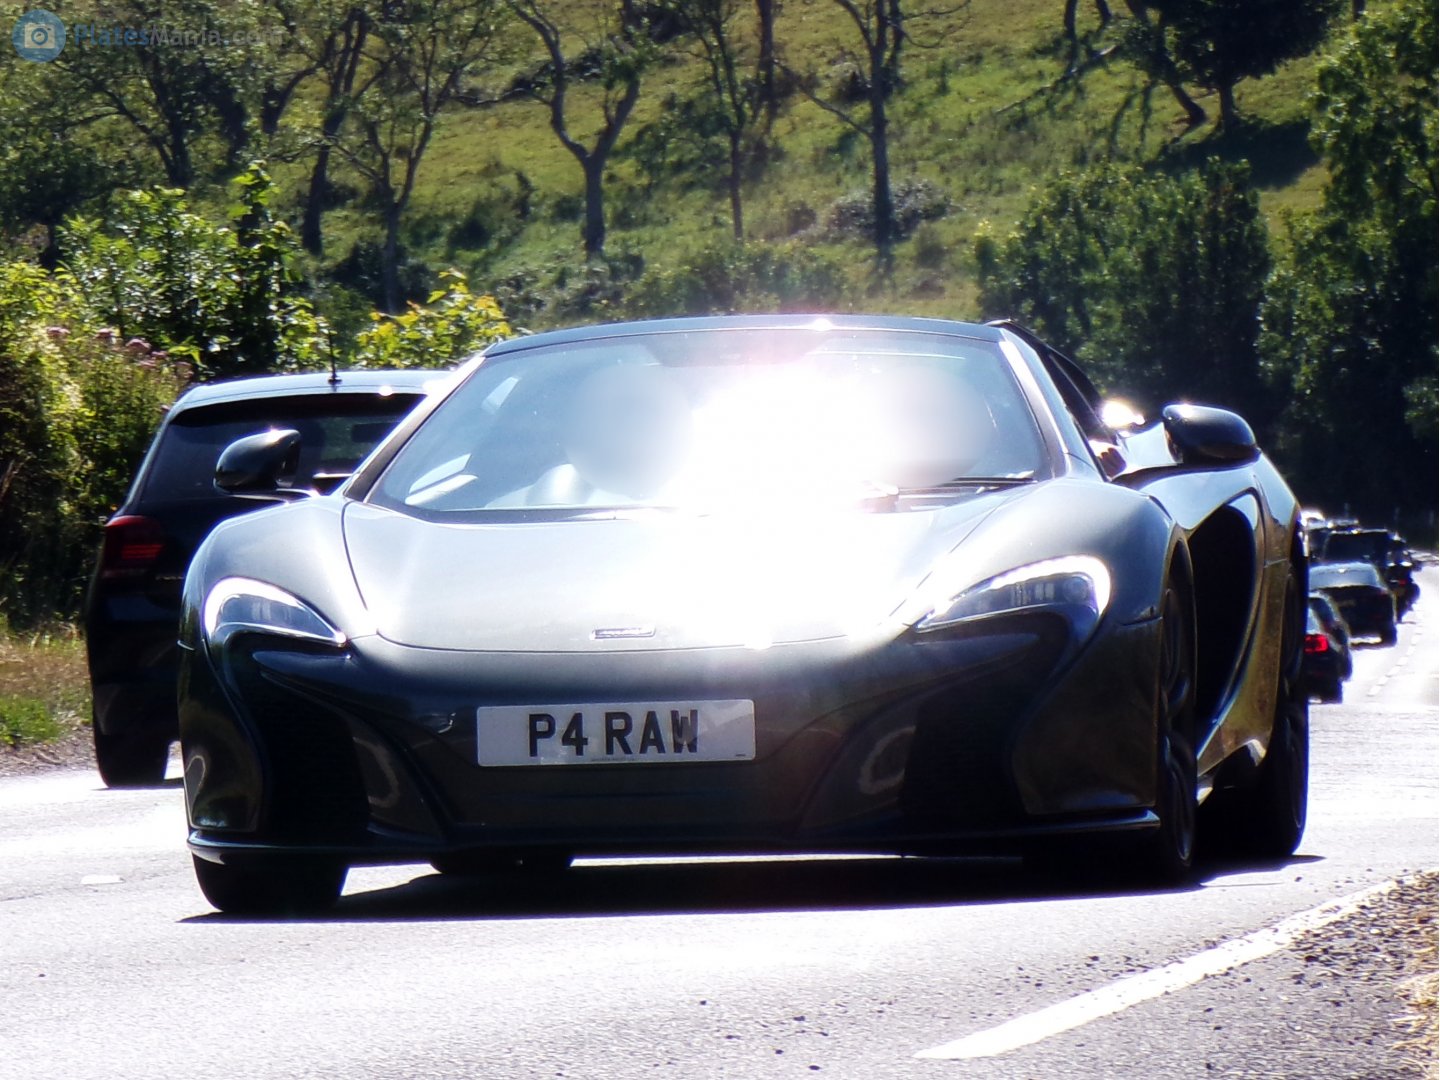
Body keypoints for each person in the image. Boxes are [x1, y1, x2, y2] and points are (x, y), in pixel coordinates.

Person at [490, 362, 692, 507]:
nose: (606, 433)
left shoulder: (718, 501)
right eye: (584, 417)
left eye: (631, 412)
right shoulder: (502, 516)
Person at [864, 364, 997, 488]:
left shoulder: (1002, 476)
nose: (916, 423)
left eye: (931, 412)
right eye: (905, 411)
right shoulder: (858, 458)